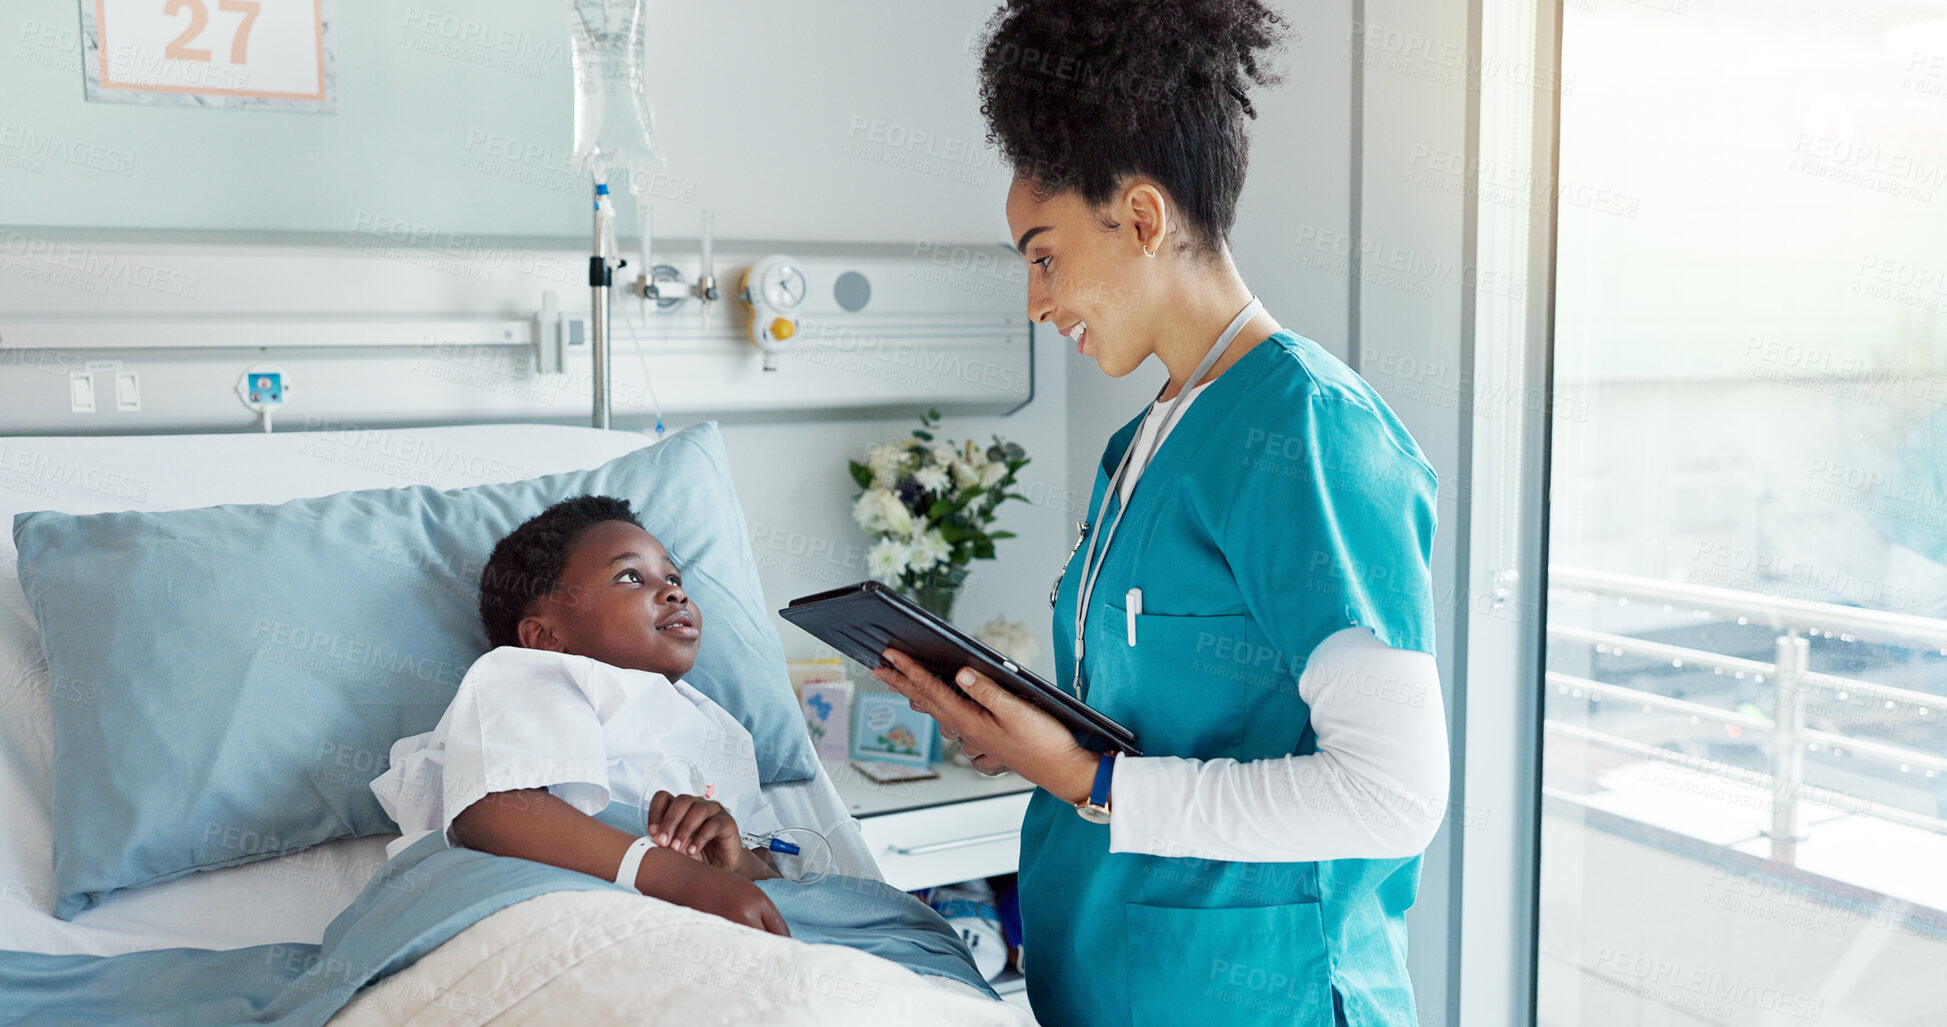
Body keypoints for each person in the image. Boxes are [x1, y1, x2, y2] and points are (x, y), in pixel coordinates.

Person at [872, 2, 1451, 1024]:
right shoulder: (1140, 445)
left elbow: (1394, 794)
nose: (1035, 304)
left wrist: (1093, 783)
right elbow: (1163, 720)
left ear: (1143, 220)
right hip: (1110, 981)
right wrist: (1021, 734)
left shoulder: (1308, 433)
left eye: (1043, 256)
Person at [369, 496, 995, 998]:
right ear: (547, 634)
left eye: (674, 577)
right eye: (631, 577)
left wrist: (732, 861)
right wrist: (674, 875)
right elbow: (494, 812)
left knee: (905, 950)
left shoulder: (718, 726)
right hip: (591, 903)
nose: (673, 591)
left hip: (709, 908)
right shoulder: (529, 675)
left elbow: (757, 881)